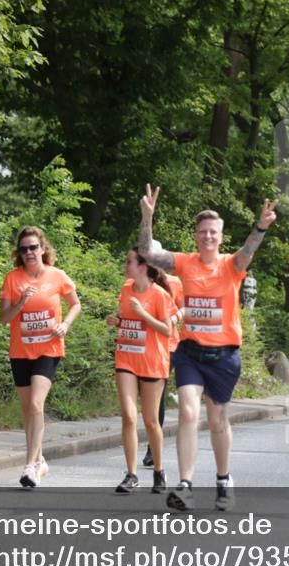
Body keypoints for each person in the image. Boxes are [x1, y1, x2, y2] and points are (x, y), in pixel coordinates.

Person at [137, 183, 277, 511]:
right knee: (187, 411)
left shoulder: (232, 266)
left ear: (221, 236)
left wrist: (260, 227)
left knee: (216, 421)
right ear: (196, 235)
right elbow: (147, 253)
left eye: (213, 232)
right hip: (190, 353)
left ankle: (223, 477)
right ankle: (185, 485)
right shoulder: (185, 263)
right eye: (203, 232)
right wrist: (147, 218)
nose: (208, 237)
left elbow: (248, 252)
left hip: (225, 356)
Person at [0, 226, 81, 488]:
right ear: (19, 253)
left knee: (36, 404)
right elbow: (3, 319)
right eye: (24, 249)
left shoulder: (57, 276)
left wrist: (65, 324)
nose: (29, 252)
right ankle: (40, 459)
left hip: (48, 348)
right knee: (28, 410)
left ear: (43, 248)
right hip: (20, 351)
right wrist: (20, 302)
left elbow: (75, 304)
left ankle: (30, 465)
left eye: (33, 247)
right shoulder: (12, 279)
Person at [106, 248, 178, 493]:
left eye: (129, 261)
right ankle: (131, 474)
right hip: (126, 357)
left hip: (152, 361)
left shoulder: (158, 294)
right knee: (128, 415)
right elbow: (125, 317)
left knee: (150, 420)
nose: (126, 265)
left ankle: (159, 471)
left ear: (143, 267)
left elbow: (167, 330)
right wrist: (117, 320)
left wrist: (143, 313)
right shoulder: (126, 289)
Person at [143, 242, 183, 469]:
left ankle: (151, 447)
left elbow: (184, 307)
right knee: (144, 395)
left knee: (157, 395)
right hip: (139, 346)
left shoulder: (174, 282)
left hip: (167, 345)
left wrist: (176, 318)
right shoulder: (135, 282)